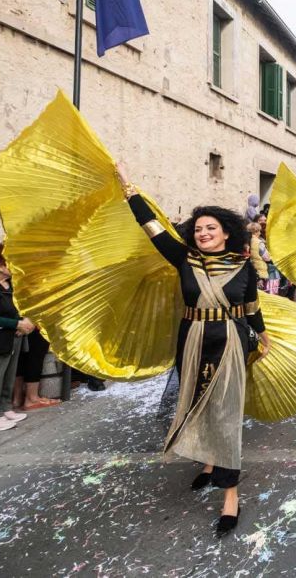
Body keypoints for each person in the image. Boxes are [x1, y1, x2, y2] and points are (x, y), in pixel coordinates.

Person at [116, 162, 270, 537]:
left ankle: (230, 496)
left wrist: (263, 337)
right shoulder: (183, 258)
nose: (203, 233)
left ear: (226, 232)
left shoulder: (244, 265)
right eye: (198, 229)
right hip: (193, 339)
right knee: (196, 402)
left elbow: (251, 307)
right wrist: (128, 188)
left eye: (210, 228)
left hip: (230, 340)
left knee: (226, 413)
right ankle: (207, 461)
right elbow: (151, 227)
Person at [0, 244, 34, 431]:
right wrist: (17, 324)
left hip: (12, 337)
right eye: (10, 261)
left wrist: (23, 322)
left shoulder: (10, 284)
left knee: (8, 375)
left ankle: (4, 407)